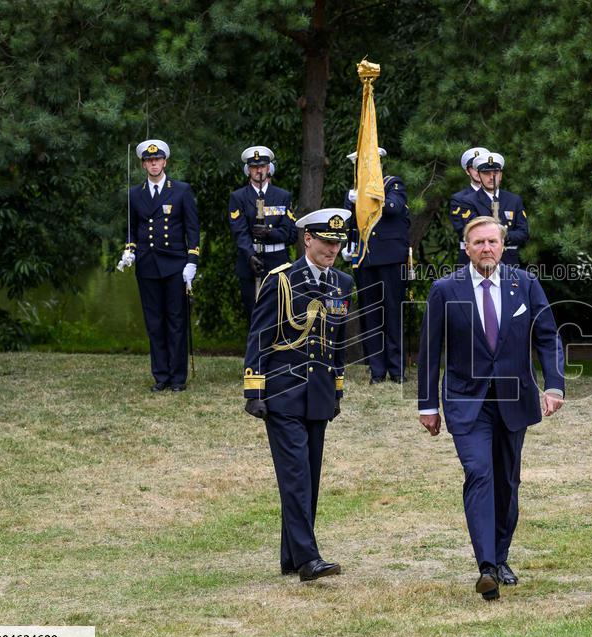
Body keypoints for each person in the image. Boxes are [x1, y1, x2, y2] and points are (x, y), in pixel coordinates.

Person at [417, 215, 565, 601]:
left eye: (492, 242)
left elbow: (548, 337)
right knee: (479, 474)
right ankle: (485, 566)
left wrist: (554, 384)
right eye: (478, 242)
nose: (486, 248)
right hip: (467, 401)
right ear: (466, 248)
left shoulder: (524, 284)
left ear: (503, 246)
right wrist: (427, 405)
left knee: (507, 482)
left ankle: (500, 558)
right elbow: (430, 352)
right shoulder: (445, 290)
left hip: (514, 400)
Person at [242, 208, 354, 582]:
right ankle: (308, 559)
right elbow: (259, 335)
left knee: (310, 477)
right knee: (295, 478)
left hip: (319, 395)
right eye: (326, 242)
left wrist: (337, 390)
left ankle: (291, 557)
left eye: (337, 243)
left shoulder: (342, 284)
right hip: (283, 393)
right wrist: (254, 388)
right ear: (307, 239)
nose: (332, 249)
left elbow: (338, 344)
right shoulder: (282, 280)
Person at [118, 139, 200, 392]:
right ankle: (161, 376)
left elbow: (192, 230)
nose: (154, 164)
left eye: (158, 160)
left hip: (175, 264)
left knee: (176, 320)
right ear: (144, 164)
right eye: (149, 161)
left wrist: (192, 262)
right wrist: (129, 251)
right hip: (148, 265)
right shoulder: (135, 193)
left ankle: (177, 378)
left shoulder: (181, 190)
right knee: (154, 322)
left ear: (165, 162)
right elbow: (132, 229)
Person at [342, 148, 411, 384]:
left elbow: (393, 208)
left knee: (392, 312)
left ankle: (397, 369)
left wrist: (365, 196)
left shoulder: (392, 184)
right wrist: (349, 243)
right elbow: (350, 222)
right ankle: (377, 370)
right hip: (364, 260)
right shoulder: (353, 192)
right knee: (370, 316)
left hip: (390, 259)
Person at [228, 146, 298, 322]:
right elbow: (239, 232)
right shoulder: (238, 197)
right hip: (250, 262)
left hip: (278, 261)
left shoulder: (283, 196)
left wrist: (270, 232)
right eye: (254, 167)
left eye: (262, 166)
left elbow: (290, 234)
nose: (258, 170)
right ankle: (257, 350)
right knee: (255, 315)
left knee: (280, 314)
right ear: (248, 170)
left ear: (269, 168)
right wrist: (250, 256)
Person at [450, 152, 529, 266]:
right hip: (479, 261)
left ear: (501, 175)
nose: (492, 177)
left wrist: (503, 237)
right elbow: (473, 232)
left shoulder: (514, 200)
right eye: (486, 173)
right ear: (479, 175)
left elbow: (523, 233)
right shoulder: (468, 201)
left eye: (496, 173)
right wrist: (499, 236)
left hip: (509, 261)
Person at [448, 146, 488, 265]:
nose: (478, 171)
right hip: (470, 257)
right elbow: (463, 230)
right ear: (467, 171)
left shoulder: (503, 197)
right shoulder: (459, 199)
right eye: (473, 168)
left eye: (481, 167)